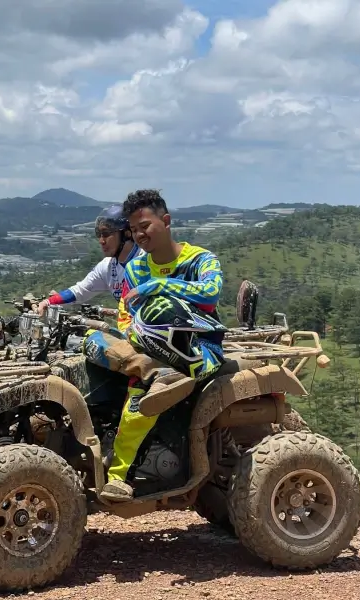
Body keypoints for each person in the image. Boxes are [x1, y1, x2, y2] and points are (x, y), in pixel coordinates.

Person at [99, 189, 227, 502]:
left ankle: (183, 374)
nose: (139, 234)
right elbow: (126, 316)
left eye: (145, 225)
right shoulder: (135, 269)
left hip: (199, 347)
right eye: (134, 229)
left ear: (166, 221)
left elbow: (210, 293)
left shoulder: (200, 259)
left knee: (159, 305)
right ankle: (117, 474)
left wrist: (160, 285)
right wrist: (132, 339)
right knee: (93, 341)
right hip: (154, 350)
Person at [36, 205, 142, 315]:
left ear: (126, 234)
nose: (101, 241)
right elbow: (80, 291)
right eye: (98, 234)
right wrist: (48, 302)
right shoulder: (108, 267)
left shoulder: (147, 259)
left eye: (106, 234)